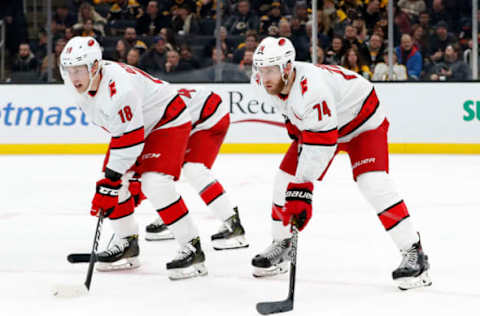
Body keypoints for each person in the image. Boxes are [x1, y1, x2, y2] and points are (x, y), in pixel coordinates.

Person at [249, 37, 432, 290]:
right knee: (283, 178)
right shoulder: (261, 83)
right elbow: (292, 115)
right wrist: (296, 184)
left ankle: (414, 252)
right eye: (260, 69)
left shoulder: (312, 89)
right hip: (320, 126)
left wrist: (302, 191)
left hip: (362, 123)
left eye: (270, 70)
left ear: (287, 68)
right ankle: (282, 244)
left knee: (373, 183)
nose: (263, 76)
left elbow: (320, 147)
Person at [59, 36, 206, 280]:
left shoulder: (120, 89)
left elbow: (132, 138)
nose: (74, 77)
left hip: (166, 119)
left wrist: (114, 178)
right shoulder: (75, 83)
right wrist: (114, 180)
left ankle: (192, 247)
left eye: (79, 70)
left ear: (94, 66)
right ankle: (127, 244)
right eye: (69, 70)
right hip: (133, 126)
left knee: (154, 183)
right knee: (112, 185)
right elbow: (123, 132)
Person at [140, 87, 249, 250]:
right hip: (189, 116)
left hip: (210, 116)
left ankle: (232, 224)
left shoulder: (148, 115)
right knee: (160, 167)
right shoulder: (144, 108)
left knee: (193, 168)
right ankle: (169, 217)